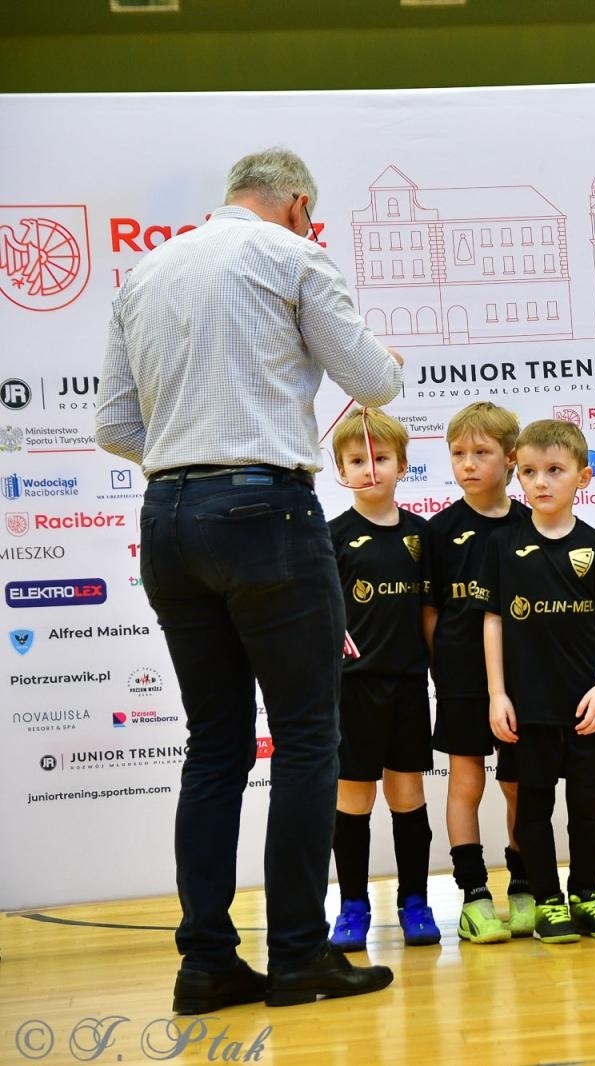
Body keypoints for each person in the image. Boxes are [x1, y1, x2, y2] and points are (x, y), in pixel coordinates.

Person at [96, 147, 401, 1011]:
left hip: (168, 518)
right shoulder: (293, 255)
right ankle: (301, 955)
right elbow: (373, 380)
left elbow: (116, 424)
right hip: (267, 514)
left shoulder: (146, 272)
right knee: (307, 736)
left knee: (215, 744)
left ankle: (205, 965)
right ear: (298, 204)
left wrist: (186, 447)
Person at [482, 419, 595, 942]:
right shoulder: (502, 545)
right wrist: (498, 693)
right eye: (529, 472)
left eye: (555, 471)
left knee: (588, 807)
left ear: (583, 477)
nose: (541, 482)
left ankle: (586, 893)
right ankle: (547, 900)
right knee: (534, 807)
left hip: (586, 705)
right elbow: (493, 619)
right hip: (529, 707)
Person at [325, 407, 439, 951]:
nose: (370, 468)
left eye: (381, 457)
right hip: (353, 690)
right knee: (353, 798)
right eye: (356, 460)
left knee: (407, 793)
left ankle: (415, 901)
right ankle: (351, 906)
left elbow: (430, 615)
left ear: (403, 465)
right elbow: (321, 617)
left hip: (408, 687)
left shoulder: (421, 536)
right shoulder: (332, 537)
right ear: (340, 471)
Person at [422, 401, 530, 945]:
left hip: (525, 684)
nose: (468, 464)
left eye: (481, 453)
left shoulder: (530, 523)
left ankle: (525, 886)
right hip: (463, 680)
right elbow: (431, 612)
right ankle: (473, 894)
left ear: (511, 458)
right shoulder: (439, 531)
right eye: (458, 453)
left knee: (517, 784)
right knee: (467, 782)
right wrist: (444, 670)